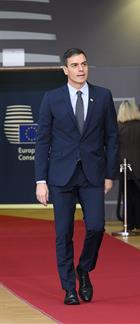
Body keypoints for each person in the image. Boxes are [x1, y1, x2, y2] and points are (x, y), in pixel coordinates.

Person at [34, 48, 118, 305]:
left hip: (92, 175)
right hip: (61, 177)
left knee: (96, 227)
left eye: (84, 64)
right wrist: (41, 181)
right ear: (65, 69)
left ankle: (84, 268)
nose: (81, 69)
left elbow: (112, 137)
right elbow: (42, 141)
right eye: (74, 65)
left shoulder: (103, 96)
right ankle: (69, 288)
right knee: (63, 233)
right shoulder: (51, 98)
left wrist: (109, 174)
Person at [117, 100, 140, 233]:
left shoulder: (118, 127)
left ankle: (129, 224)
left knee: (126, 196)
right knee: (138, 195)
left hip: (124, 165)